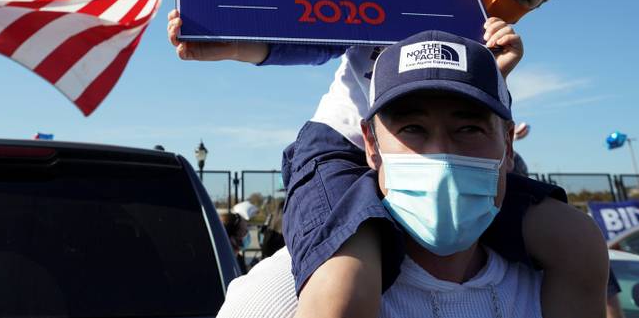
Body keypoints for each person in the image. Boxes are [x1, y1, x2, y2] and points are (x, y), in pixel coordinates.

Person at [169, 0, 596, 315]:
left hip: (447, 158)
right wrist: (234, 44)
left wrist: (496, 73)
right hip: (345, 149)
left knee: (576, 240)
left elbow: (473, 120)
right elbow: (312, 34)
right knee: (342, 285)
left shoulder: (494, 41)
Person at [216, 31, 609, 317]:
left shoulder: (555, 280)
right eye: (412, 130)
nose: (441, 156)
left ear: (508, 144)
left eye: (468, 129)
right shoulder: (280, 296)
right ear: (370, 145)